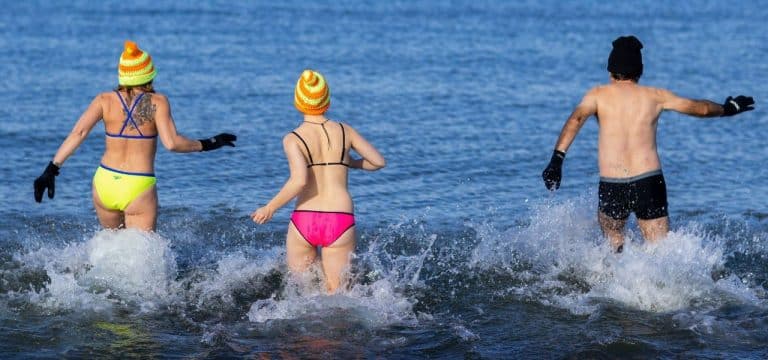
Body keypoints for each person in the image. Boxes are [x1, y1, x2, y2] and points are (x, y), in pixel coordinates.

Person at [541, 35, 754, 252]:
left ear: (610, 70)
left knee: (614, 245)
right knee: (660, 251)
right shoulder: (655, 96)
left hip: (613, 182)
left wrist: (557, 160)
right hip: (649, 181)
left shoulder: (598, 95)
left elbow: (575, 120)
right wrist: (728, 108)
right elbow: (700, 108)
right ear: (640, 71)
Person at [33, 40, 236, 231]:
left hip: (105, 182)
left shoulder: (104, 100)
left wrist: (51, 170)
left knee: (111, 249)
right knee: (142, 261)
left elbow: (78, 133)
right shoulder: (156, 102)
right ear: (149, 75)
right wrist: (211, 143)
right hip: (138, 185)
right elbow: (172, 144)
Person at [251, 69, 385, 293]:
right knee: (338, 295)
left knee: (303, 295)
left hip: (305, 218)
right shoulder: (345, 131)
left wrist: (270, 207)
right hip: (340, 218)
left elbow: (299, 180)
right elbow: (378, 162)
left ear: (298, 103)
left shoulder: (293, 138)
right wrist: (350, 163)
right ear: (327, 102)